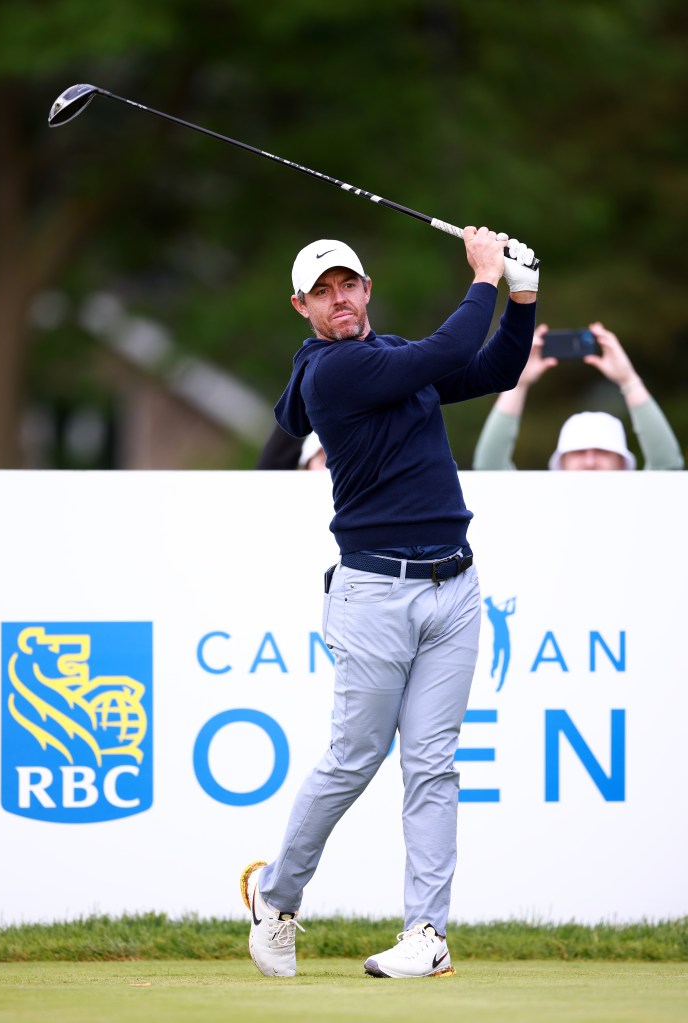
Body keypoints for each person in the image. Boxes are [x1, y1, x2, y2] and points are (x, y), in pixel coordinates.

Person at [239, 231, 539, 979]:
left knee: (434, 766)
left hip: (456, 588)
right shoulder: (330, 372)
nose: (339, 299)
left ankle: (426, 933)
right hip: (375, 593)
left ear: (366, 289)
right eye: (323, 290)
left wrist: (523, 298)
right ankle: (276, 901)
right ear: (301, 306)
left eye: (350, 285)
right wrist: (484, 276)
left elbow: (494, 364)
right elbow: (442, 351)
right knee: (353, 759)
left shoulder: (396, 359)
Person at [472, 323, 684, 470]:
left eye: (602, 451)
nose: (590, 462)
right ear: (561, 463)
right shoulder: (539, 508)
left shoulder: (644, 504)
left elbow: (667, 467)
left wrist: (629, 381)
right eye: (579, 452)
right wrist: (517, 385)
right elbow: (490, 467)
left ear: (621, 463)